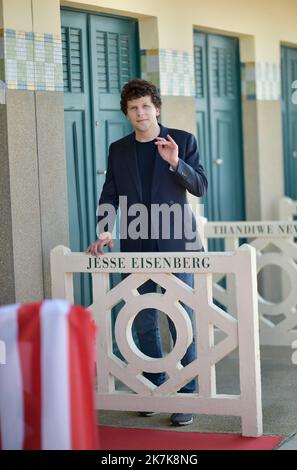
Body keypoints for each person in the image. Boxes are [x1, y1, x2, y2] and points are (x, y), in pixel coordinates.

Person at [87, 79, 208, 426]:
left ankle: (187, 394)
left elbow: (199, 186)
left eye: (146, 106)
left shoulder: (182, 141)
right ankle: (154, 388)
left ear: (156, 107)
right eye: (133, 108)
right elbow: (109, 194)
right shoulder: (118, 149)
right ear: (126, 113)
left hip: (177, 245)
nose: (140, 113)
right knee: (141, 320)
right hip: (136, 246)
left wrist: (175, 162)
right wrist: (104, 231)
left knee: (179, 318)